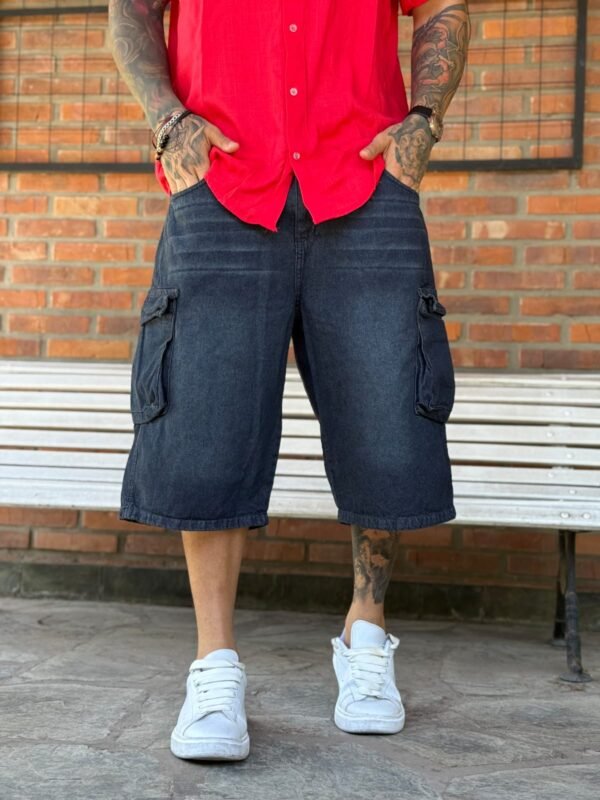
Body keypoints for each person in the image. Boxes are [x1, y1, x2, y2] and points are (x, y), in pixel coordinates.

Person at [108, 0, 470, 762]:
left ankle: (365, 634)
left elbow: (442, 7)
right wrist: (170, 121)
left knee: (386, 414)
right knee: (205, 417)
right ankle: (214, 666)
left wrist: (422, 122)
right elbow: (131, 9)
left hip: (364, 180)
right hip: (224, 182)